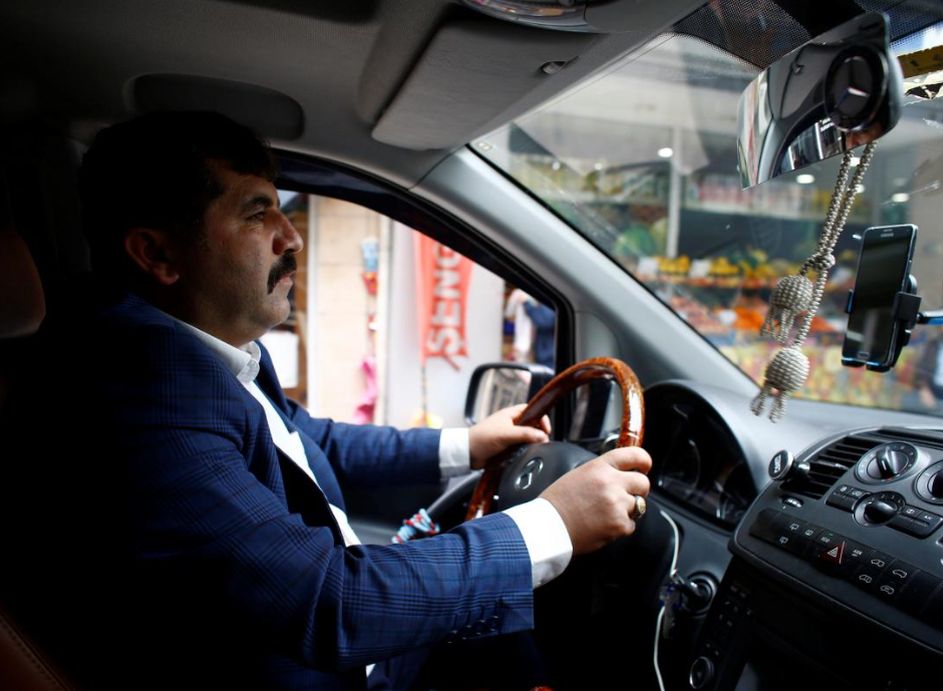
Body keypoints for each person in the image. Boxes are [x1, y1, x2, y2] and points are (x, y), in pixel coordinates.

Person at [6, 111, 651, 690]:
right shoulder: (140, 388)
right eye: (257, 214)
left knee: (510, 641)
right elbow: (326, 602)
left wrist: (467, 444)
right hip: (328, 665)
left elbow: (307, 438)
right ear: (157, 254)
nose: (293, 237)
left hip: (345, 647)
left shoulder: (196, 350)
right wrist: (551, 524)